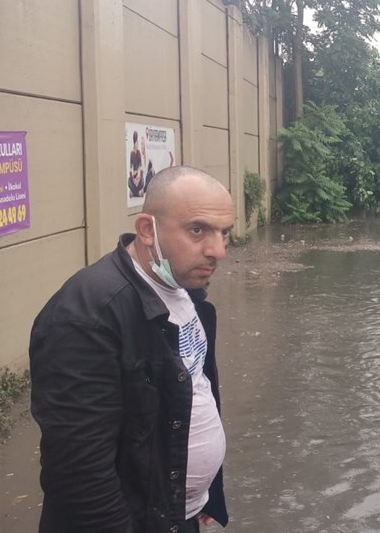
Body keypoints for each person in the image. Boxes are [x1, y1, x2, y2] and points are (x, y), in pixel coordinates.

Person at [30, 166, 235, 533]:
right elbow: (80, 475)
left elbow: (193, 392)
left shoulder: (182, 288)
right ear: (146, 230)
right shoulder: (87, 316)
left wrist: (204, 491)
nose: (217, 250)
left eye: (224, 233)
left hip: (174, 511)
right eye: (197, 230)